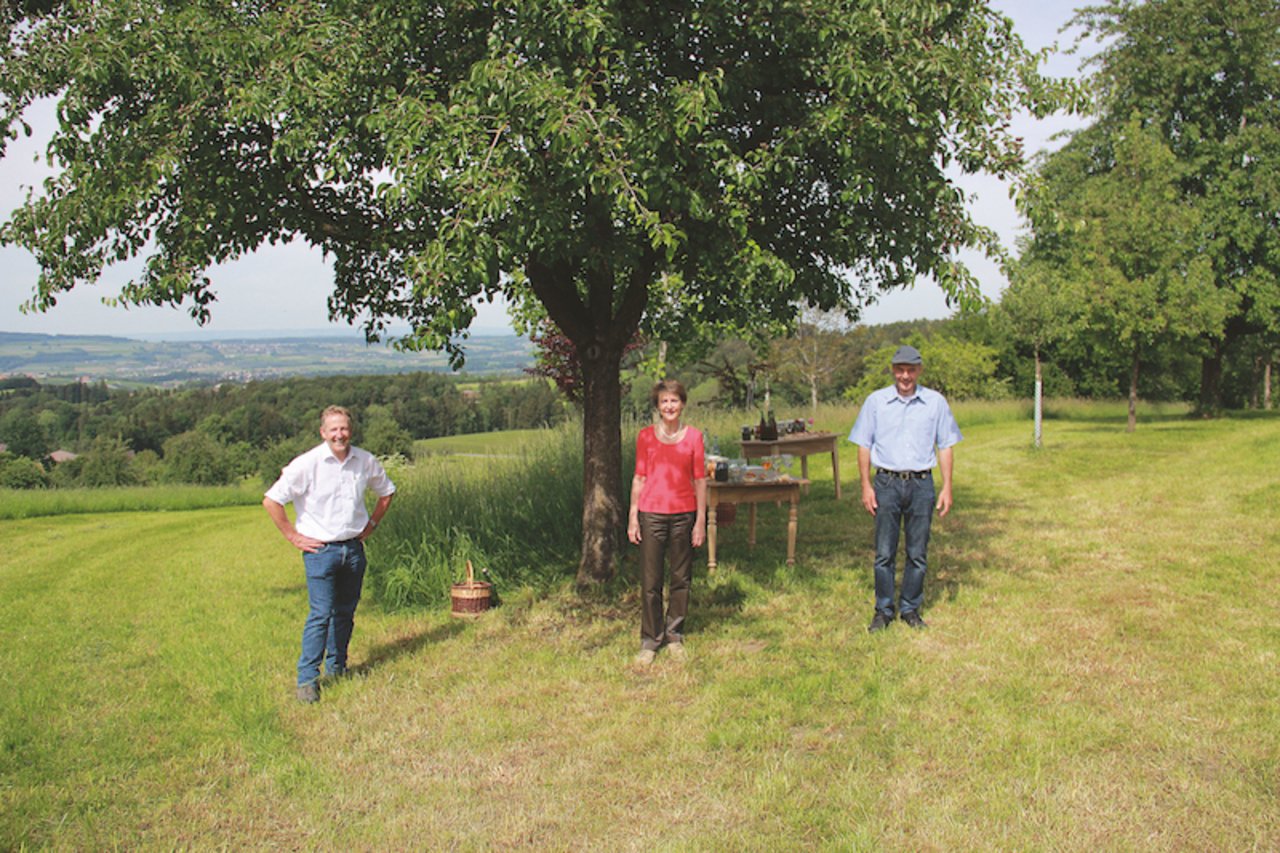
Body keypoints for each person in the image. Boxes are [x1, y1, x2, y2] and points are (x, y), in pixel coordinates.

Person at [263, 405, 396, 703]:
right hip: (320, 551)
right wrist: (293, 536)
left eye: (344, 428)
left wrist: (372, 523)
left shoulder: (365, 461)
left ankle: (338, 667)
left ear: (351, 430)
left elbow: (387, 492)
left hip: (353, 548)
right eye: (333, 429)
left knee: (345, 613)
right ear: (323, 433)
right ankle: (307, 679)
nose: (340, 434)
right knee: (321, 614)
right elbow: (272, 500)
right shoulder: (306, 464)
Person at [849, 345, 961, 632]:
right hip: (886, 483)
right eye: (900, 369)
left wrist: (947, 487)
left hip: (922, 484)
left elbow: (946, 445)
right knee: (884, 552)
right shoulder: (876, 402)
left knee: (918, 553)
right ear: (893, 370)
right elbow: (864, 444)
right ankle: (883, 610)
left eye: (911, 370)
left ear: (919, 371)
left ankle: (910, 608)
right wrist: (865, 486)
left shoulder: (935, 403)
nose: (905, 375)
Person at [627, 379, 707, 665]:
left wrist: (700, 521)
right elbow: (639, 477)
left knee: (680, 579)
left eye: (674, 401)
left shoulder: (694, 437)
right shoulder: (645, 436)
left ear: (682, 403)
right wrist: (633, 517)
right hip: (651, 515)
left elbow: (700, 481)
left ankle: (674, 636)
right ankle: (650, 640)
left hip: (684, 515)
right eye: (664, 401)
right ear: (658, 406)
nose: (669, 406)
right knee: (650, 581)